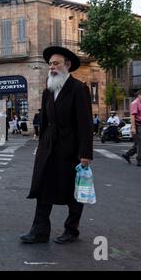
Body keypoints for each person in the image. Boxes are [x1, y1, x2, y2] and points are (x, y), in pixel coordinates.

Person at [20, 46, 93, 245]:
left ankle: (72, 229)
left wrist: (85, 153)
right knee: (43, 186)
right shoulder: (48, 88)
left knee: (73, 190)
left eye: (56, 63)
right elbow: (44, 119)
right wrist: (40, 143)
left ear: (67, 65)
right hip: (48, 145)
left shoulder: (79, 88)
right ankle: (40, 231)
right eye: (50, 64)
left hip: (70, 148)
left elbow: (85, 123)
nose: (52, 67)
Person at [122, 90, 141, 167]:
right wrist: (133, 128)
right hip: (137, 125)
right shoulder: (135, 103)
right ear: (139, 95)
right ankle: (139, 160)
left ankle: (127, 155)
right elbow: (132, 116)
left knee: (138, 143)